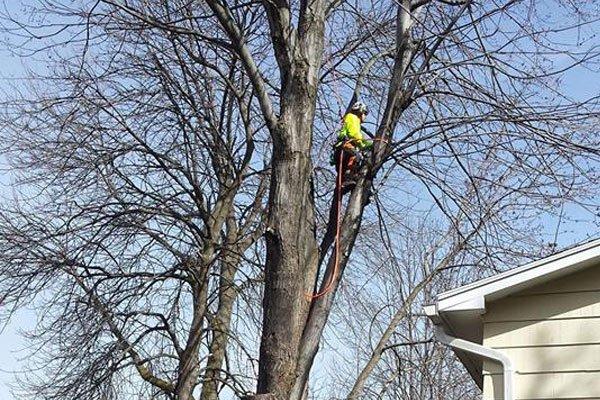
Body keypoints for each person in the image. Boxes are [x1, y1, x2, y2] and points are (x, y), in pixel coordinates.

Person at [332, 101, 373, 190]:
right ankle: (348, 179)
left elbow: (361, 137)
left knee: (343, 170)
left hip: (341, 150)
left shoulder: (350, 119)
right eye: (365, 114)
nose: (365, 117)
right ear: (361, 111)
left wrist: (369, 144)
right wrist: (363, 145)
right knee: (356, 156)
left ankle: (343, 185)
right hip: (345, 147)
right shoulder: (353, 118)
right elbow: (355, 135)